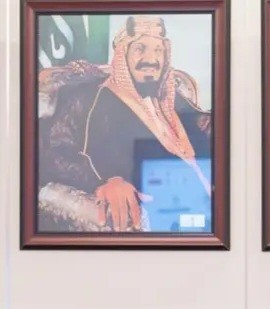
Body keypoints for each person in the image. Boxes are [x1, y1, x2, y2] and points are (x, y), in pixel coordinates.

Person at [37, 16, 211, 232]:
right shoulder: (91, 97)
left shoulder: (170, 96)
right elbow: (55, 151)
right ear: (123, 54)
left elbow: (199, 124)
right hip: (162, 213)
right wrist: (106, 182)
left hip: (203, 204)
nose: (151, 59)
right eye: (140, 49)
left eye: (158, 50)